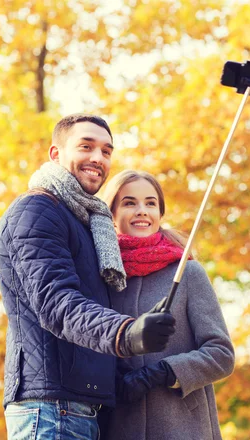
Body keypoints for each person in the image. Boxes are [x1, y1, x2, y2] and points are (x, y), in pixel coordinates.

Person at [0, 114, 177, 440]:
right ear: (56, 154)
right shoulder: (37, 210)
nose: (98, 158)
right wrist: (127, 333)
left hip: (80, 407)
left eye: (106, 151)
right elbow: (56, 303)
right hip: (51, 409)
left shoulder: (88, 221)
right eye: (86, 146)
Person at [100, 170, 235, 440]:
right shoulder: (102, 276)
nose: (141, 211)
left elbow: (222, 355)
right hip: (118, 427)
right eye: (129, 203)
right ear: (111, 214)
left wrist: (163, 372)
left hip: (183, 428)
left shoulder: (188, 273)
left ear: (160, 213)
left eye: (150, 203)